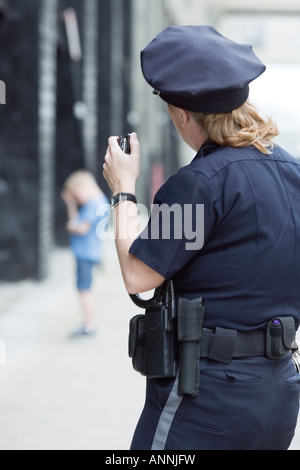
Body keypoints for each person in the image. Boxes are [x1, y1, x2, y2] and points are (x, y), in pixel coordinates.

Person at [103, 25, 300, 450]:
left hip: (207, 398)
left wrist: (123, 190)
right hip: (279, 392)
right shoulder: (294, 173)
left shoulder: (198, 183)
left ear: (182, 113)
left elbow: (139, 276)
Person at [61, 169, 109, 338]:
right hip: (88, 253)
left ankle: (88, 326)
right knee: (84, 289)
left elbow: (80, 227)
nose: (77, 199)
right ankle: (87, 324)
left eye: (76, 195)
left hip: (86, 254)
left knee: (84, 290)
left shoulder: (94, 204)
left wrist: (71, 226)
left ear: (84, 188)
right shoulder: (99, 202)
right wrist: (71, 204)